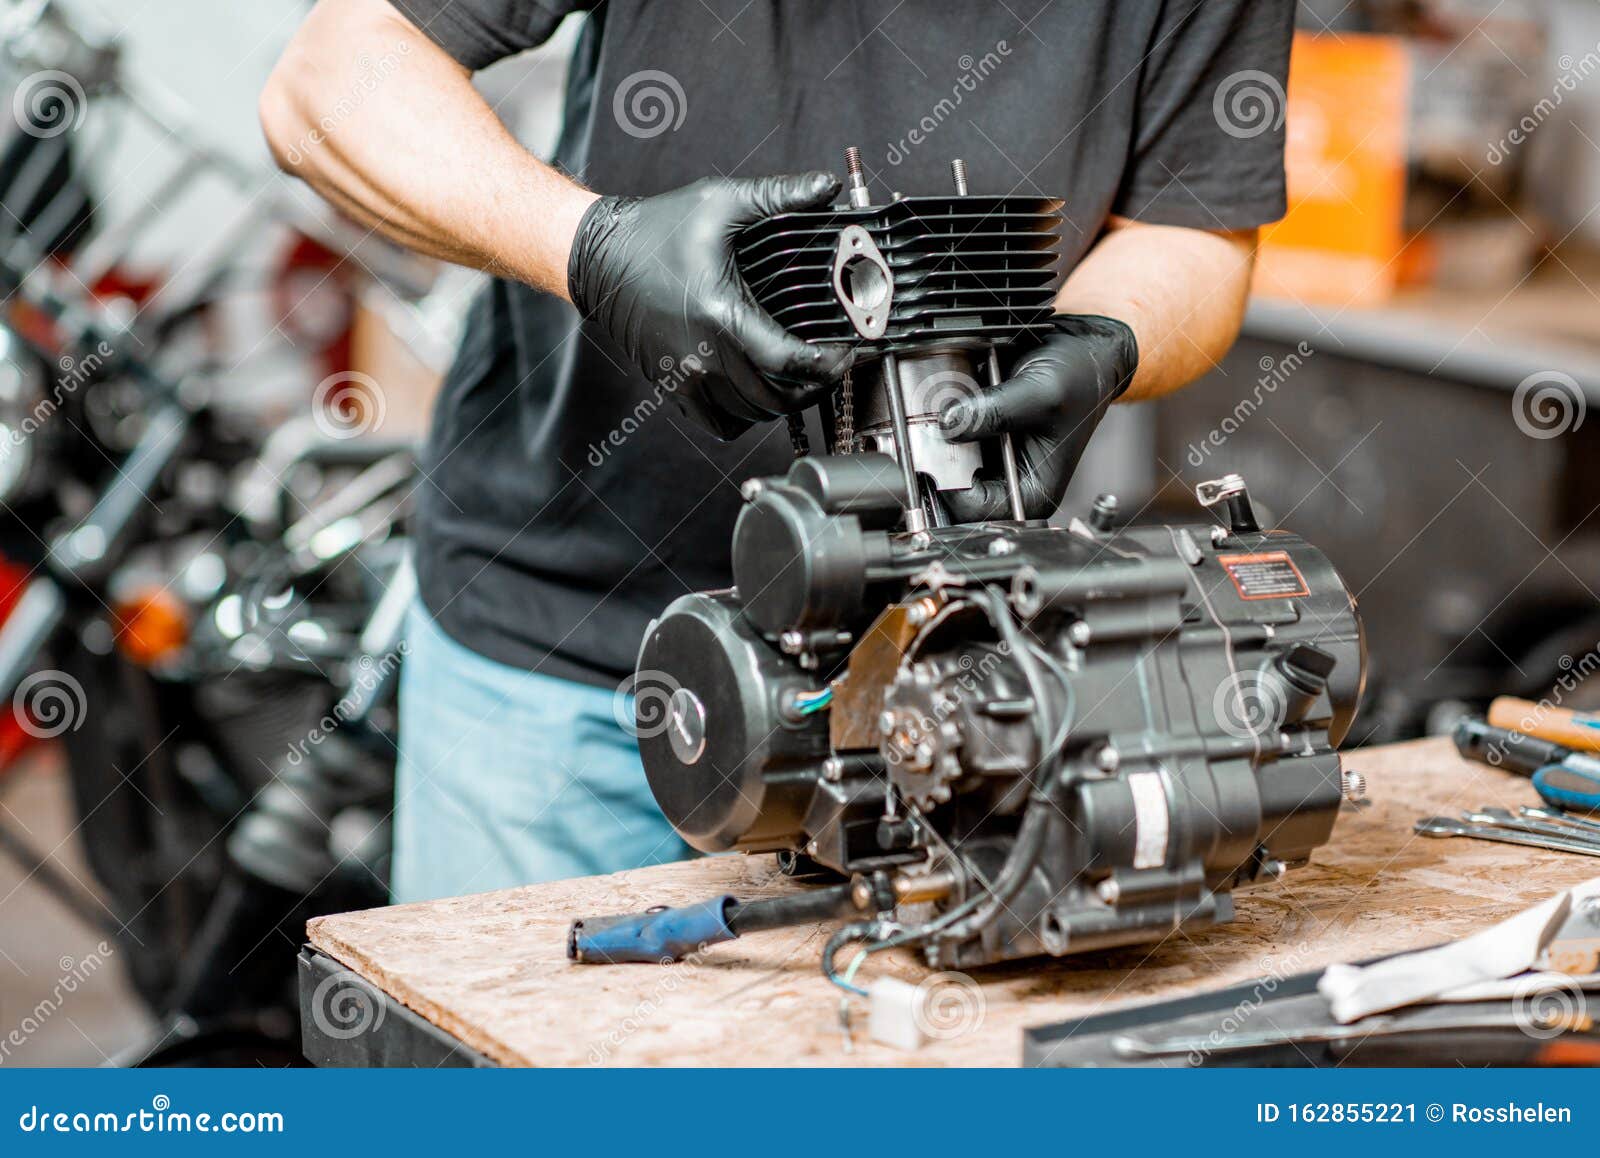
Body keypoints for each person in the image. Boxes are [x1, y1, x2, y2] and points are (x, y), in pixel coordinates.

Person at [261, 0, 1294, 901]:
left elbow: (1192, 225)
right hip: (559, 651)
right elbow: (326, 81)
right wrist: (587, 245)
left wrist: (1104, 338)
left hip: (943, 684)